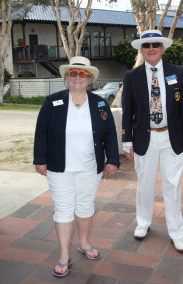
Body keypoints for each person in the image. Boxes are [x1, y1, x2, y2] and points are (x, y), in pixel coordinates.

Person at [33, 56, 120, 277]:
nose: (77, 78)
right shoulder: (52, 102)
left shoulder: (99, 103)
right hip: (59, 167)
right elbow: (41, 133)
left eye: (82, 74)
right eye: (73, 74)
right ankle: (64, 255)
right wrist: (40, 159)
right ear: (66, 77)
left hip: (90, 168)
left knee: (84, 206)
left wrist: (112, 159)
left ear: (89, 79)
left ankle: (84, 243)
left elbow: (110, 132)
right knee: (63, 208)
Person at [122, 30, 183, 253]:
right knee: (145, 184)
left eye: (155, 44)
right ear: (141, 50)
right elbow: (127, 111)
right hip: (145, 137)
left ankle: (177, 233)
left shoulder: (177, 73)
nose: (150, 48)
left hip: (172, 137)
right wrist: (127, 140)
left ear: (162, 48)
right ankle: (143, 223)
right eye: (146, 45)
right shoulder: (131, 76)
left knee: (172, 186)